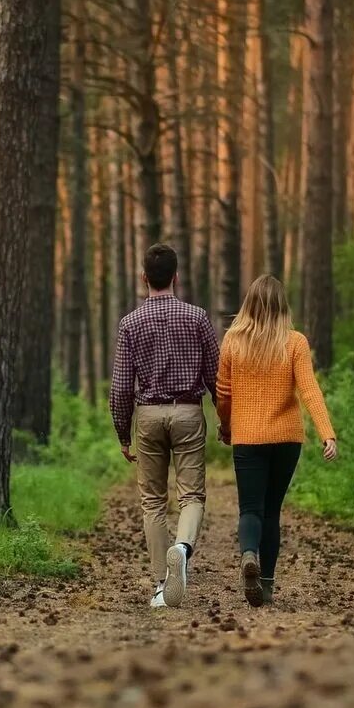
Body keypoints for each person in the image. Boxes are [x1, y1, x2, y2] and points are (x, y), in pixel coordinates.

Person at [216, 275, 339, 607]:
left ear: (249, 304)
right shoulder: (295, 342)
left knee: (251, 509)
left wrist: (226, 427)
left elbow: (223, 395)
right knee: (272, 511)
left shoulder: (232, 341)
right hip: (287, 439)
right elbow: (309, 390)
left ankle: (248, 555)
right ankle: (266, 585)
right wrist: (327, 432)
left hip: (248, 438)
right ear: (282, 306)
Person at [109, 243, 220, 609]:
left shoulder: (130, 323)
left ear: (145, 278)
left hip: (149, 415)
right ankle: (183, 549)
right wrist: (226, 419)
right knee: (191, 496)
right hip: (188, 412)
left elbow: (122, 386)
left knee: (153, 502)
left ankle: (160, 584)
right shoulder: (198, 318)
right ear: (176, 276)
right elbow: (216, 376)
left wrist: (123, 433)